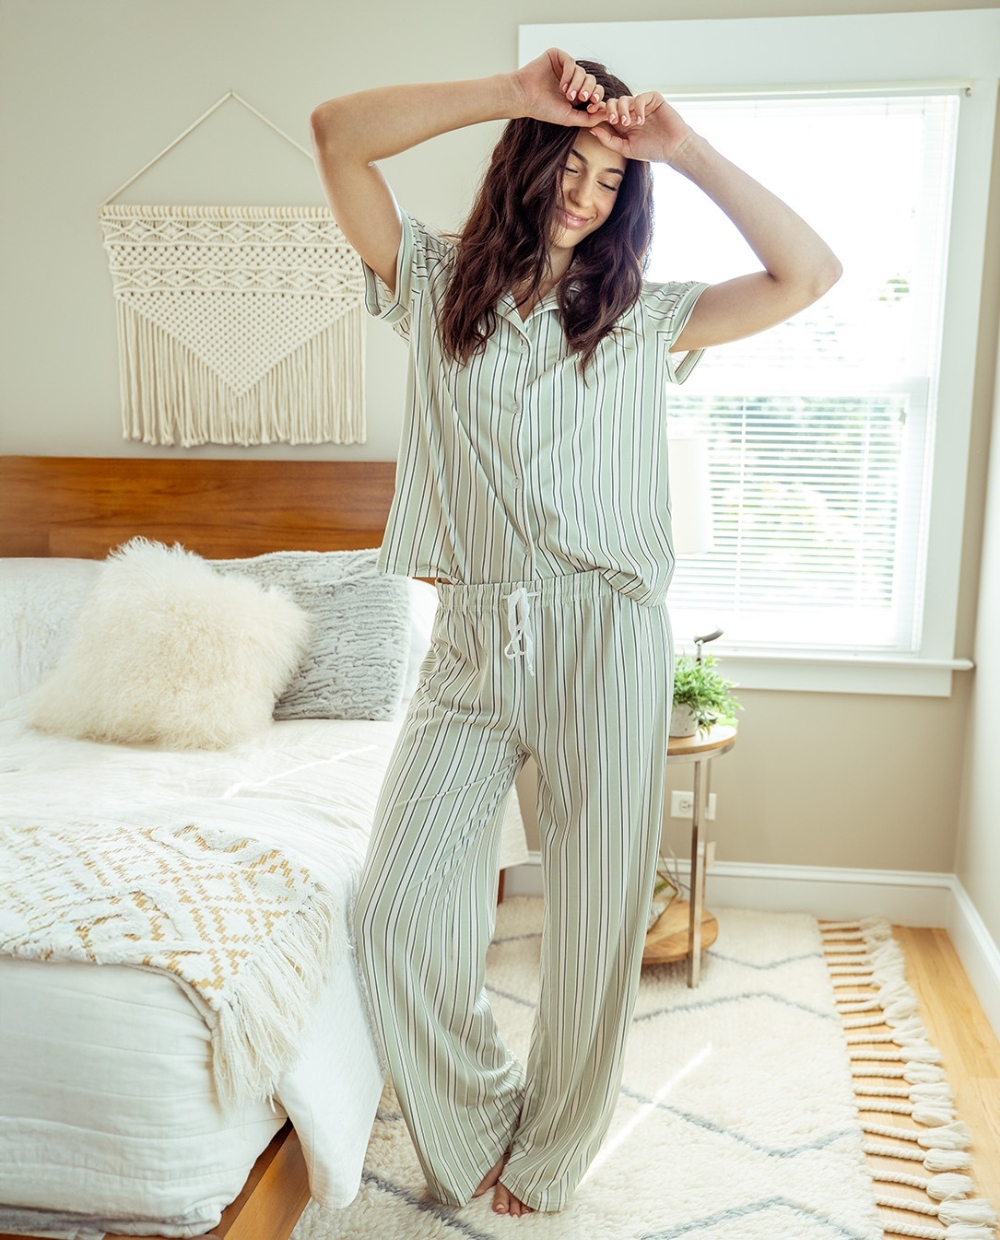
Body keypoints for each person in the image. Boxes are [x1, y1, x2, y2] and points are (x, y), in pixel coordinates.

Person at [310, 48, 840, 1219]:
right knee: (393, 906)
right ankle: (479, 1111)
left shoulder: (645, 320)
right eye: (574, 162)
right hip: (470, 641)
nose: (588, 194)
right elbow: (336, 132)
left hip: (606, 634)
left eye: (612, 178)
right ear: (530, 155)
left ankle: (552, 1154)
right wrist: (511, 91)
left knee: (594, 925)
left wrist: (682, 149)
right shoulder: (433, 281)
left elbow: (810, 273)